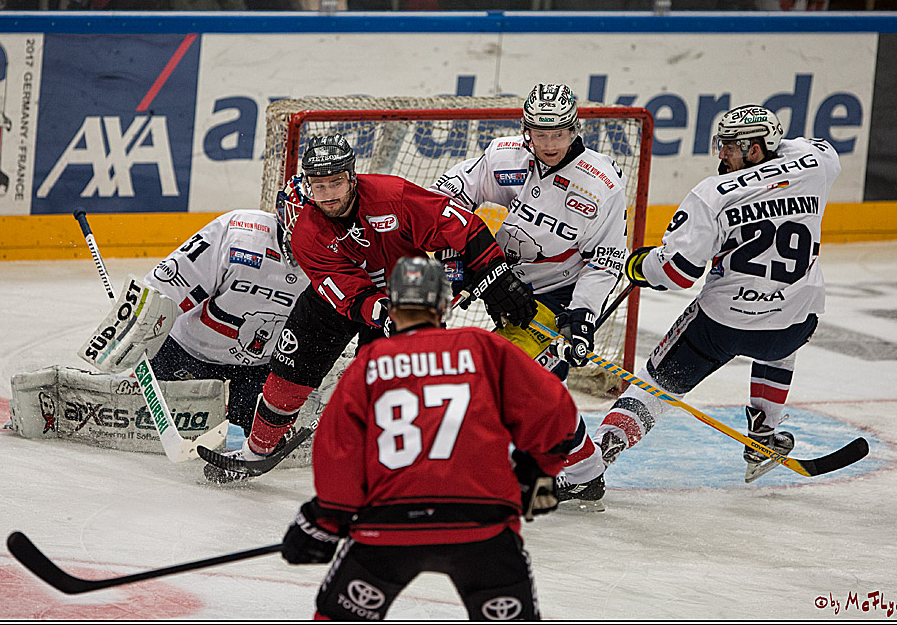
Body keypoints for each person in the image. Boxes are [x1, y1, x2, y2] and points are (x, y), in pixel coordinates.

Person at [200, 133, 536, 482]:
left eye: (336, 182)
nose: (328, 193)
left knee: (404, 392)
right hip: (338, 303)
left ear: (352, 176)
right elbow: (346, 291)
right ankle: (257, 449)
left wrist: (495, 273)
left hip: (405, 294)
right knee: (289, 372)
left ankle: (409, 465)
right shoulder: (306, 233)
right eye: (319, 185)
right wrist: (382, 312)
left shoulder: (394, 196)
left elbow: (461, 227)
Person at [279, 256, 580, 620]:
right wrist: (538, 469)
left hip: (388, 527)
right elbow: (555, 413)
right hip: (481, 526)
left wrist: (326, 520)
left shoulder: (371, 361)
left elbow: (338, 450)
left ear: (392, 304)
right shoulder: (483, 347)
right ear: (444, 304)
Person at [594, 104, 841, 489]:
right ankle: (763, 436)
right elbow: (816, 150)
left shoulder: (712, 194)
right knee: (785, 326)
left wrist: (638, 266)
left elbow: (678, 272)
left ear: (756, 148)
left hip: (720, 326)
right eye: (721, 144)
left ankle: (596, 458)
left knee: (655, 384)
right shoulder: (816, 163)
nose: (721, 154)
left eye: (731, 146)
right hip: (792, 326)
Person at [431, 82, 628, 504]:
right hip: (501, 283)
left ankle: (455, 474)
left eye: (559, 133)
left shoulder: (602, 183)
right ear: (526, 130)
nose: (550, 143)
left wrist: (583, 315)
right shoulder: (506, 157)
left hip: (558, 297)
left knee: (499, 379)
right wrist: (457, 262)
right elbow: (446, 198)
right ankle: (585, 471)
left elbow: (607, 258)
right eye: (540, 133)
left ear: (575, 128)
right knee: (533, 391)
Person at [78, 180, 310, 436]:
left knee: (255, 436)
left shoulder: (340, 257)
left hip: (262, 365)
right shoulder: (240, 232)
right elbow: (167, 284)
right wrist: (130, 333)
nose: (308, 229)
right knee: (133, 415)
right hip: (189, 349)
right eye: (303, 217)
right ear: (284, 211)